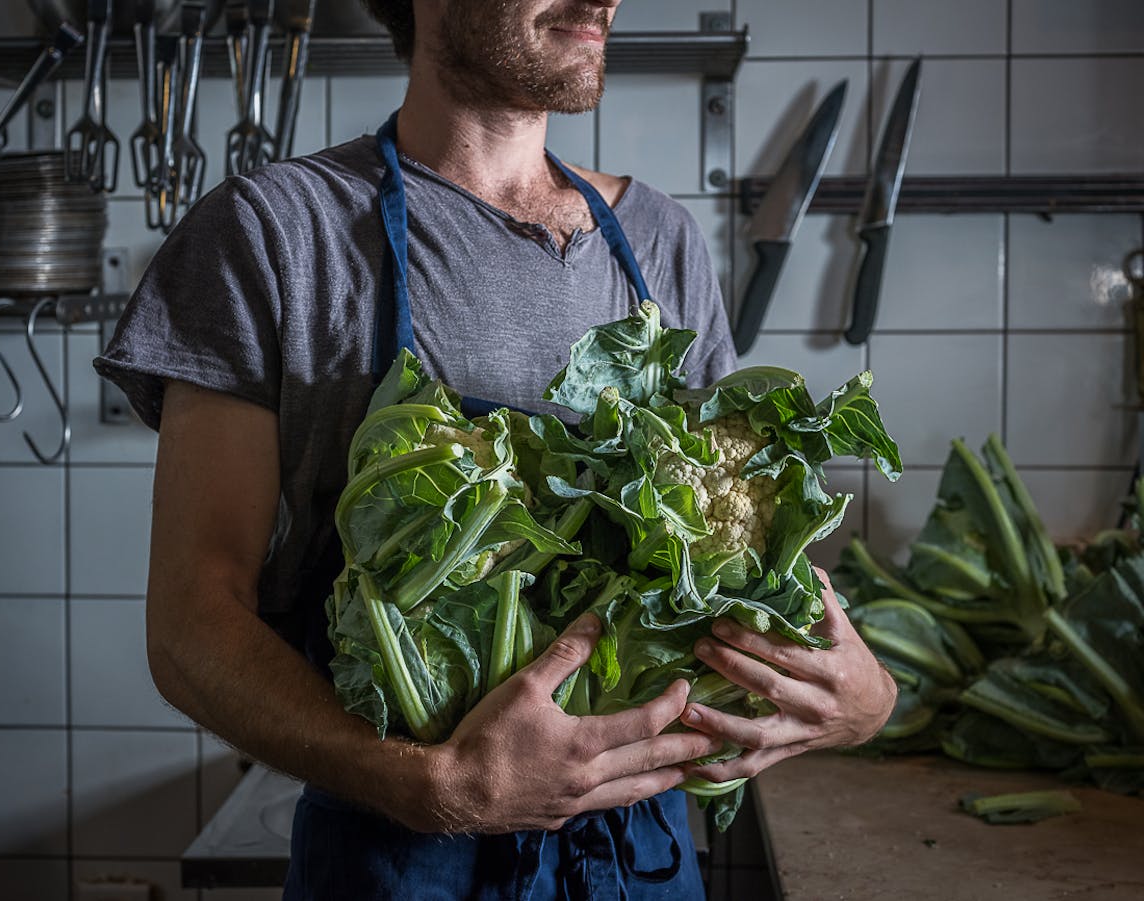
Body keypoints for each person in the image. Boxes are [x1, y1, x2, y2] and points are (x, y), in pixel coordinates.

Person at [95, 0, 896, 897]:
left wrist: (862, 699)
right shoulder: (275, 235)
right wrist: (423, 782)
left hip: (645, 862)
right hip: (405, 856)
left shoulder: (662, 244)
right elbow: (190, 626)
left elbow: (731, 581)